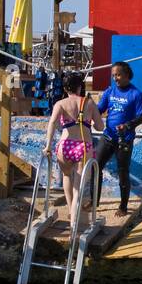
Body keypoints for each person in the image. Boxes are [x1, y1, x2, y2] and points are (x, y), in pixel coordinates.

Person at [42, 72, 100, 232]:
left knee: (67, 176)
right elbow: (100, 127)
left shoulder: (60, 104)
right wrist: (90, 122)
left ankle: (71, 210)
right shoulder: (88, 103)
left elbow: (52, 124)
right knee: (78, 187)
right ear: (80, 86)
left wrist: (47, 146)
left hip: (64, 145)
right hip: (84, 146)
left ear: (65, 88)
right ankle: (74, 223)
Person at [94, 61, 142, 216]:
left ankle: (123, 207)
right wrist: (88, 112)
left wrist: (127, 126)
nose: (115, 78)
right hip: (108, 136)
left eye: (117, 75)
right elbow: (99, 109)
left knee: (123, 172)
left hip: (125, 140)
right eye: (113, 75)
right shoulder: (109, 92)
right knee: (95, 166)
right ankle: (94, 201)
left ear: (126, 75)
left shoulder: (136, 94)